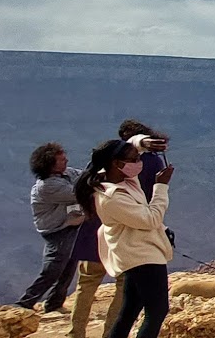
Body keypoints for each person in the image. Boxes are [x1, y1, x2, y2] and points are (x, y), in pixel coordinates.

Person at [79, 137, 173, 338]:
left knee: (129, 310)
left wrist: (143, 142)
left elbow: (129, 145)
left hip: (133, 253)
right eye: (133, 159)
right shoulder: (112, 197)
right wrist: (161, 187)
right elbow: (151, 219)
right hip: (142, 254)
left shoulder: (121, 180)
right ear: (117, 163)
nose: (138, 163)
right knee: (156, 312)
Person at [16, 143, 84, 313]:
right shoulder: (48, 186)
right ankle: (25, 303)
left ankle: (54, 303)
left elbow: (83, 177)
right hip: (57, 230)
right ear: (50, 164)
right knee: (53, 269)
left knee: (69, 267)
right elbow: (80, 192)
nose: (66, 160)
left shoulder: (66, 174)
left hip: (69, 225)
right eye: (61, 159)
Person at [67, 171, 118, 338]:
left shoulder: (91, 179)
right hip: (116, 242)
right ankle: (111, 332)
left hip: (90, 240)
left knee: (85, 286)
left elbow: (75, 208)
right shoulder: (121, 181)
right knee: (124, 286)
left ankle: (76, 332)